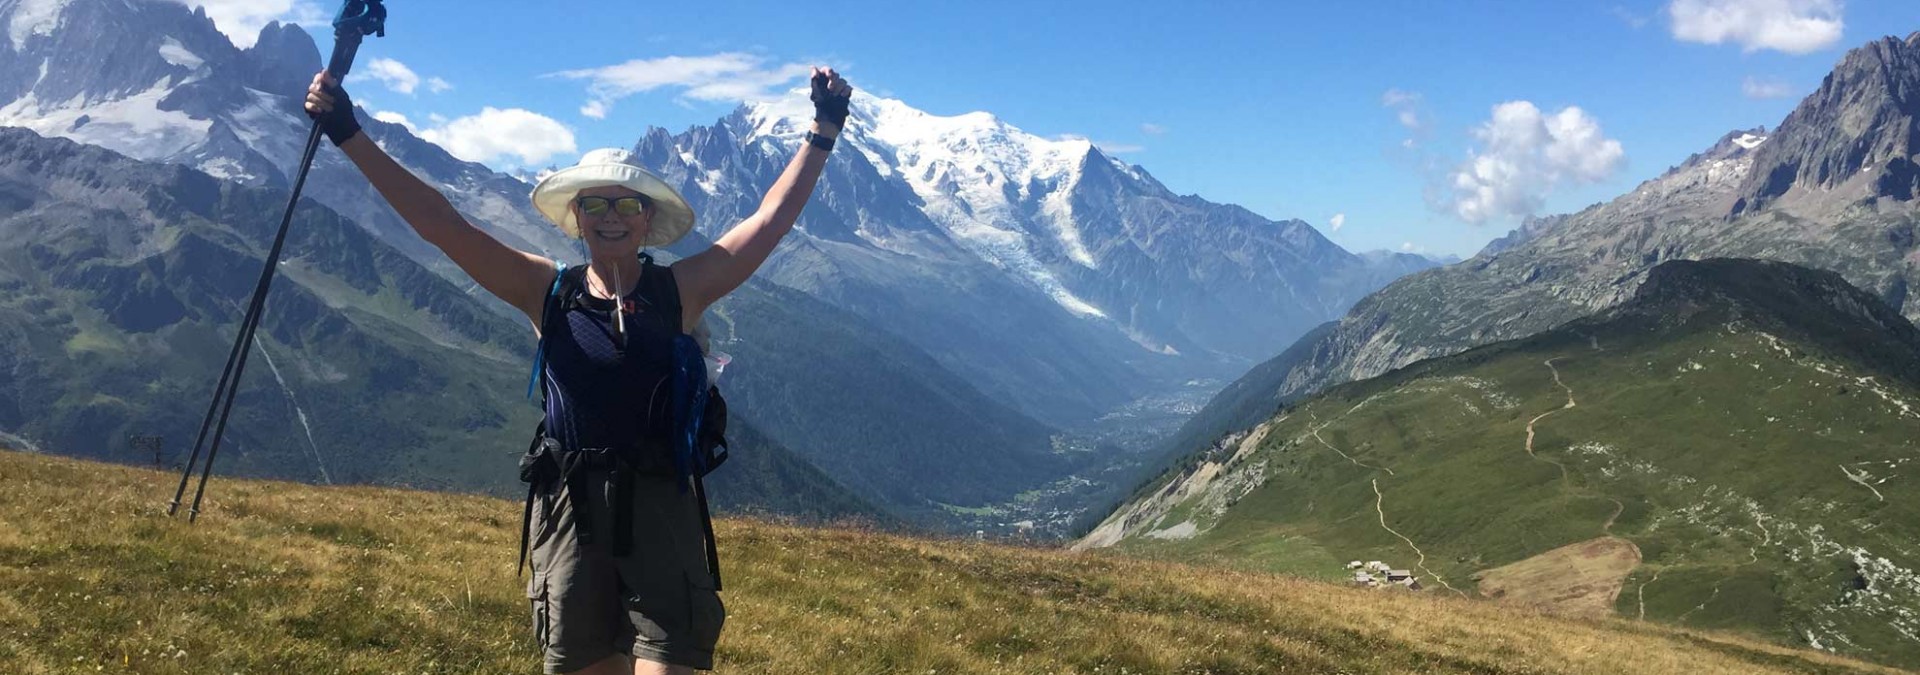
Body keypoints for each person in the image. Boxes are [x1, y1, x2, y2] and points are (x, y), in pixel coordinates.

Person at [305, 64, 854, 675]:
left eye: (626, 204)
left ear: (648, 219)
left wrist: (823, 130)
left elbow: (769, 223)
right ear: (578, 216)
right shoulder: (546, 290)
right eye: (595, 202)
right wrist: (349, 133)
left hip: (658, 503)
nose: (611, 214)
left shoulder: (680, 292)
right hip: (569, 507)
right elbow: (442, 226)